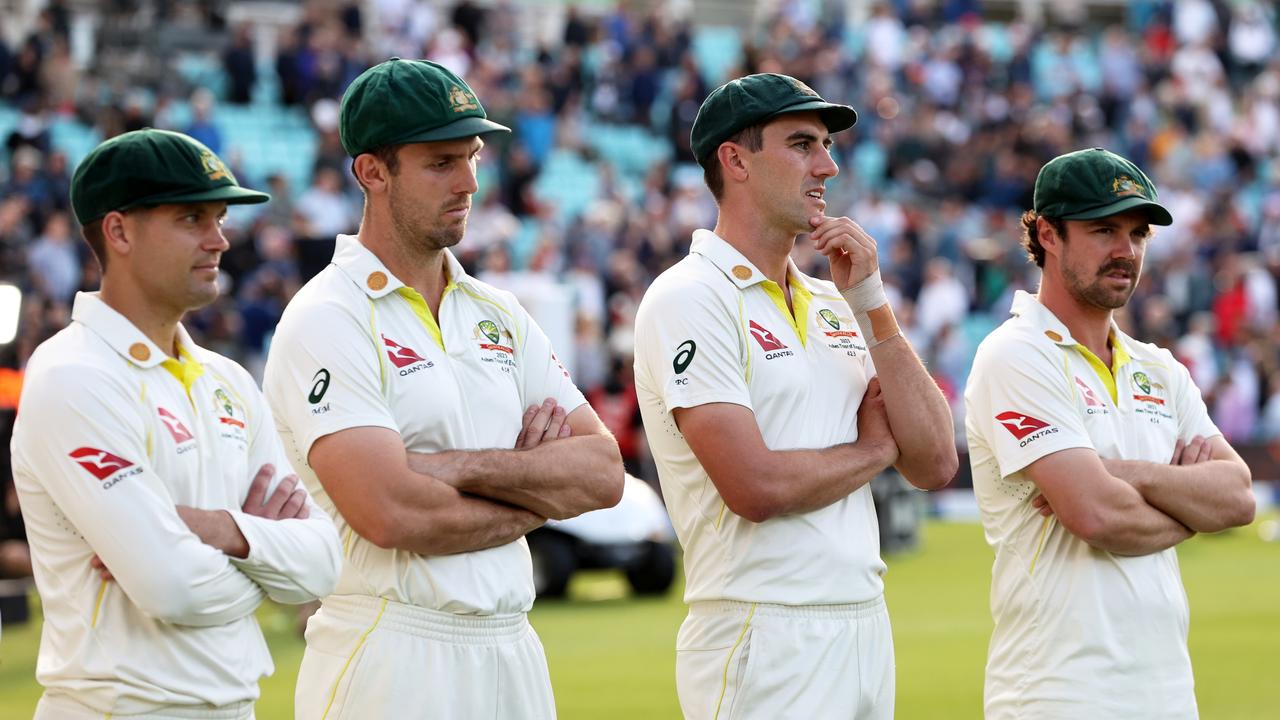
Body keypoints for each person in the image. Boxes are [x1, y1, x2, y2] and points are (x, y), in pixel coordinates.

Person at [262, 58, 624, 720]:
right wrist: (537, 495)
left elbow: (602, 476)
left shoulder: (498, 312)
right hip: (393, 650)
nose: (469, 182)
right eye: (440, 162)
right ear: (372, 171)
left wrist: (443, 468)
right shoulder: (327, 317)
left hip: (513, 642)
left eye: (474, 156)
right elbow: (392, 513)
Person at [633, 72, 957, 720]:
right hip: (763, 629)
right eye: (803, 144)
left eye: (828, 146)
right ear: (735, 159)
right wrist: (870, 451)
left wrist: (871, 303)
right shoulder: (690, 296)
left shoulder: (836, 300)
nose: (829, 166)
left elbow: (934, 463)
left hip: (862, 620)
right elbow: (755, 487)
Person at [9, 128, 342, 719]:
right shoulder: (73, 375)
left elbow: (324, 562)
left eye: (219, 219)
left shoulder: (229, 379)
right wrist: (266, 558)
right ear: (118, 231)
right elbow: (169, 588)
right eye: (192, 218)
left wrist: (222, 531)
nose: (219, 240)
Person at [964, 148, 1256, 719]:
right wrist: (1189, 501)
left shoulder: (1159, 368)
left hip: (1168, 691)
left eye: (1138, 233)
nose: (1127, 250)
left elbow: (1240, 499)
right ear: (1047, 234)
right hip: (1057, 693)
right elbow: (1099, 517)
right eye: (1103, 230)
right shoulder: (1016, 356)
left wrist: (1128, 474)